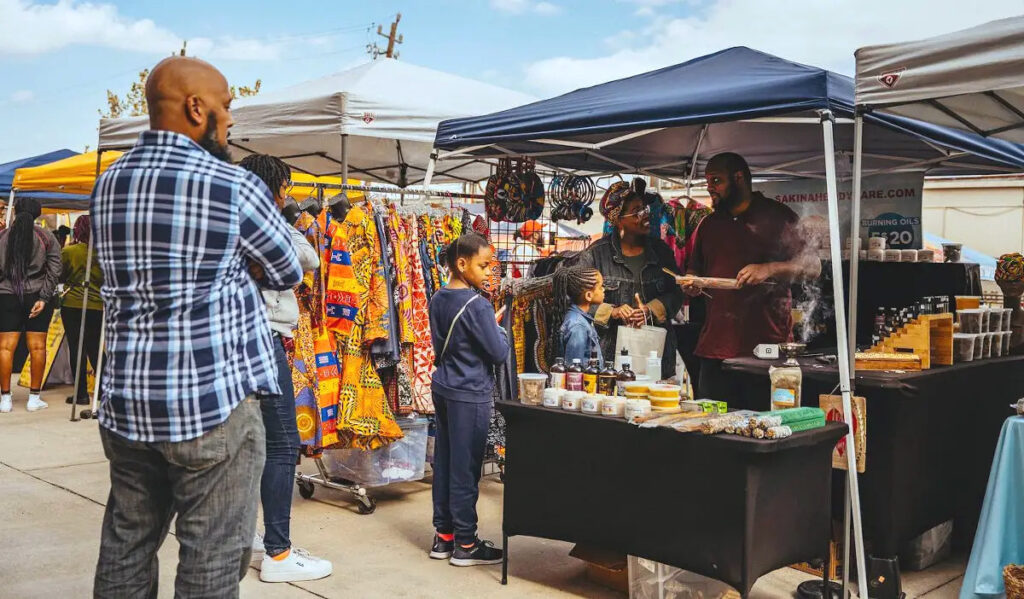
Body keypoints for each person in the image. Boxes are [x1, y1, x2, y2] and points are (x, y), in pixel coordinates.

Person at [91, 56, 302, 599]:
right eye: (227, 106)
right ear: (195, 107)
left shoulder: (111, 181)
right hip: (211, 408)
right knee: (211, 555)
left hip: (127, 404)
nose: (230, 120)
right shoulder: (232, 185)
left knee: (126, 544)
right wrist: (236, 262)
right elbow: (287, 268)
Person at [238, 153, 332, 583]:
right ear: (277, 187)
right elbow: (306, 259)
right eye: (286, 187)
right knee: (281, 443)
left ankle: (251, 537)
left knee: (252, 444)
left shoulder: (227, 215)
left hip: (235, 338)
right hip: (261, 337)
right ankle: (277, 553)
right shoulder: (262, 219)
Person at [682, 152, 820, 400]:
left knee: (763, 427)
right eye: (708, 181)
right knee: (712, 428)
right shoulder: (710, 224)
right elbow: (695, 269)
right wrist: (691, 282)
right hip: (715, 348)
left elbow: (812, 267)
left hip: (765, 348)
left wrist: (769, 268)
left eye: (716, 181)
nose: (710, 188)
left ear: (739, 178)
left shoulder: (778, 216)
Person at [428, 232, 509, 567]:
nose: (489, 271)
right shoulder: (478, 306)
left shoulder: (438, 297)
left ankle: (443, 536)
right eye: (483, 264)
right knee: (466, 468)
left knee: (445, 464)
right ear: (461, 264)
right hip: (469, 393)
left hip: (444, 386)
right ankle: (466, 543)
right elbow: (499, 352)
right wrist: (496, 327)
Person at [570, 178, 684, 379]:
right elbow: (577, 301)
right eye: (637, 211)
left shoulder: (661, 253)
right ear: (618, 219)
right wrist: (612, 312)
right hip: (611, 362)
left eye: (645, 209)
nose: (646, 216)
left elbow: (676, 293)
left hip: (656, 359)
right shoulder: (595, 255)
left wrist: (650, 309)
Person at [0, 197, 61, 413]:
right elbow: (55, 269)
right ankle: (34, 398)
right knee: (37, 347)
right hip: (36, 295)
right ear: (37, 212)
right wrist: (44, 298)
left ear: (15, 211)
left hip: (7, 296)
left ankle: (5, 399)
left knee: (5, 347)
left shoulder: (3, 236)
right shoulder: (46, 236)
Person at [60, 215, 103, 406]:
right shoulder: (103, 253)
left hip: (73, 304)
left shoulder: (70, 251)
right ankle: (105, 390)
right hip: (97, 304)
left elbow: (60, 275)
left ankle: (81, 394)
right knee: (95, 348)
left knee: (77, 348)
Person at [552, 265, 605, 364]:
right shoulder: (578, 326)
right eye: (600, 287)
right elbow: (574, 370)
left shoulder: (579, 320)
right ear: (589, 295)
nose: (603, 290)